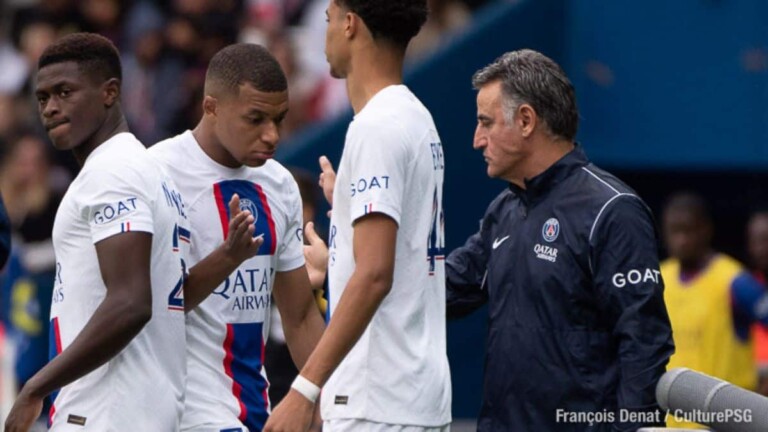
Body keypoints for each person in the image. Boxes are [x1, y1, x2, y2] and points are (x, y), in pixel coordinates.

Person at [303, 48, 674, 431]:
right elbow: (434, 292)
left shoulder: (612, 210)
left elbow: (645, 340)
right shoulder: (505, 210)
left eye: (486, 122)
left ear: (526, 120)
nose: (476, 140)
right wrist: (352, 244)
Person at [264, 1, 452, 431]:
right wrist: (336, 254)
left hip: (378, 403)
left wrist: (304, 389)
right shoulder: (415, 118)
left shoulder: (377, 128)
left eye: (328, 20)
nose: (324, 33)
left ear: (349, 24)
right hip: (408, 396)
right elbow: (396, 258)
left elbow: (375, 275)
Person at [3, 32, 190, 432]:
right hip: (145, 407)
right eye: (43, 98)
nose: (51, 108)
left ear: (110, 93)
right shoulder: (148, 169)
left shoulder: (112, 172)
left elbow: (131, 302)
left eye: (65, 92)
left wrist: (35, 387)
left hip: (106, 411)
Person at [149, 43, 325, 432]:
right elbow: (146, 308)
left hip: (252, 408)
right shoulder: (155, 174)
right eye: (256, 119)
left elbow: (298, 317)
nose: (272, 135)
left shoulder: (280, 185)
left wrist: (329, 400)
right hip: (182, 413)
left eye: (279, 119)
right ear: (210, 107)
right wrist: (227, 257)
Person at [661, 193, 768, 428]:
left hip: (724, 422)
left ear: (706, 229)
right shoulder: (659, 279)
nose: (682, 240)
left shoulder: (735, 281)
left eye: (688, 230)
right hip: (671, 422)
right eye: (674, 231)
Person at [746, 210, 768, 396]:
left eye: (766, 239)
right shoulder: (741, 287)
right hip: (750, 393)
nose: (762, 248)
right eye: (756, 241)